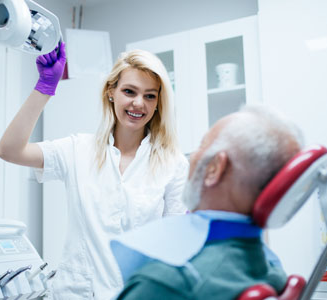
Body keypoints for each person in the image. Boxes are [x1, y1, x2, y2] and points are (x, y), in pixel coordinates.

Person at [0, 43, 188, 299]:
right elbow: (9, 150)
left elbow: (174, 245)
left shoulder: (172, 164)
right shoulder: (78, 150)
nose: (138, 103)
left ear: (158, 103)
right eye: (129, 91)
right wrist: (44, 88)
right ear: (112, 92)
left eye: (150, 95)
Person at [111, 105, 304, 300]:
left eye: (202, 146)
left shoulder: (167, 283)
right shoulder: (273, 270)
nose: (193, 156)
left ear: (214, 169)